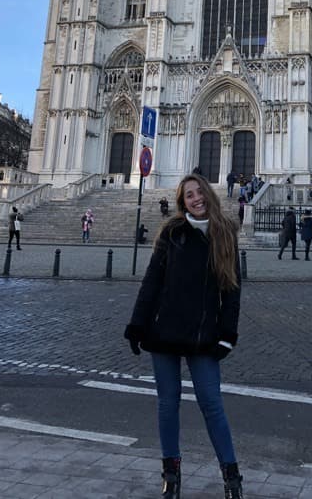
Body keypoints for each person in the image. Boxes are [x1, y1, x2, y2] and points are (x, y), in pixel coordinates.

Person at [124, 173, 244, 499]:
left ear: (208, 193)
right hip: (164, 330)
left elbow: (232, 291)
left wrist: (227, 335)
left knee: (212, 404)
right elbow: (152, 281)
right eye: (188, 195)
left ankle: (232, 477)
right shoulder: (172, 232)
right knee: (167, 405)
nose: (196, 199)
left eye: (199, 192)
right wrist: (137, 324)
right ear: (182, 202)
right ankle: (171, 476)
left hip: (203, 335)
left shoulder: (225, 234)